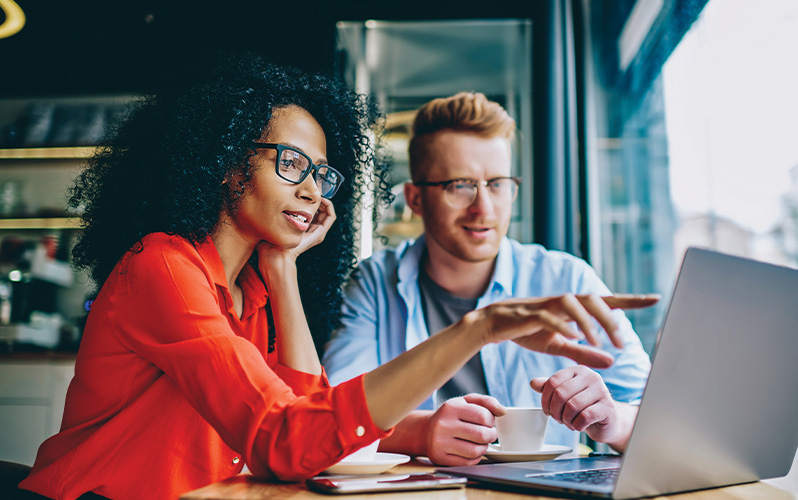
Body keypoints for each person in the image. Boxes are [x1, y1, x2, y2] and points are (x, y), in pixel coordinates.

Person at [19, 56, 657, 500]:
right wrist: (478, 330)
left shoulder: (256, 289)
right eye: (290, 162)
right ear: (225, 163)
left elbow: (307, 418)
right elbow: (287, 438)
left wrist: (284, 265)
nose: (309, 188)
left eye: (321, 173)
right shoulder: (164, 265)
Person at [322, 92, 654, 466]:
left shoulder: (566, 278)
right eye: (460, 185)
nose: (484, 207)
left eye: (497, 184)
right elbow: (331, 416)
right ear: (415, 199)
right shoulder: (375, 282)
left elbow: (660, 416)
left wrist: (613, 421)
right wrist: (421, 432)